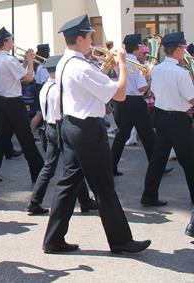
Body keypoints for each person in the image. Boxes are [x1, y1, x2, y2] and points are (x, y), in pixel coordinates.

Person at [43, 14, 150, 254]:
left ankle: (53, 239)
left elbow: (87, 85)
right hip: (88, 130)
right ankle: (121, 241)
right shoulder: (82, 66)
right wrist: (123, 64)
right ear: (80, 39)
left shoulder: (66, 61)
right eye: (90, 37)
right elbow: (119, 95)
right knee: (104, 187)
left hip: (71, 126)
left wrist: (105, 68)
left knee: (67, 185)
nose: (93, 42)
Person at [26, 56, 97, 215]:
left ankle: (35, 201)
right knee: (74, 166)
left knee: (51, 167)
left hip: (50, 127)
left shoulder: (45, 87)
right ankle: (83, 202)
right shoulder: (59, 89)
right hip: (61, 127)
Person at [0, 27, 43, 184]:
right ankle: (38, 172)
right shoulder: (9, 60)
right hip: (14, 103)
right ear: (5, 42)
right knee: (26, 138)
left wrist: (25, 62)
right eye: (11, 39)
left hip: (4, 101)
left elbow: (18, 74)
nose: (13, 42)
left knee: (1, 139)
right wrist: (30, 60)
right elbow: (29, 77)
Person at [141, 31, 194, 207]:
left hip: (161, 117)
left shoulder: (156, 69)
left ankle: (149, 196)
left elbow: (154, 91)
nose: (184, 52)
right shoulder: (181, 73)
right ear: (178, 50)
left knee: (158, 160)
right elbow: (191, 99)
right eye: (183, 48)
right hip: (178, 120)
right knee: (189, 161)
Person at [111, 34, 156, 176]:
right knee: (148, 135)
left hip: (123, 100)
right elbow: (142, 88)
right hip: (136, 102)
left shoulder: (122, 61)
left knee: (121, 135)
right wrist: (149, 81)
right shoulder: (137, 64)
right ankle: (156, 167)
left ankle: (111, 166)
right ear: (137, 48)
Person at [29, 44, 51, 138]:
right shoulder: (43, 66)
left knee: (41, 113)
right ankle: (29, 132)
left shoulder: (39, 65)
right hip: (41, 89)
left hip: (38, 88)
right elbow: (44, 81)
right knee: (39, 113)